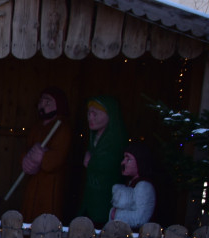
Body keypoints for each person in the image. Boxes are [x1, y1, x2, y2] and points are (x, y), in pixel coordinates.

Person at [20, 87, 73, 222]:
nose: (42, 106)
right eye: (41, 102)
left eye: (47, 103)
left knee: (47, 218)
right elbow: (27, 149)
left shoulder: (63, 128)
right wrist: (26, 160)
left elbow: (58, 158)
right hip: (33, 183)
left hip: (51, 185)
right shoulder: (36, 128)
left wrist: (43, 157)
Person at [78, 96, 127, 225]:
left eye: (95, 114)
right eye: (89, 113)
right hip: (91, 195)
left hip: (104, 197)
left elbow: (108, 163)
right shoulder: (94, 139)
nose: (90, 118)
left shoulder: (115, 141)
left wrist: (92, 161)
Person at [110, 142, 156, 228]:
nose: (123, 163)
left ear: (140, 162)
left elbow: (140, 218)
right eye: (124, 158)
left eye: (129, 159)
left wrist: (115, 214)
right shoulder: (132, 183)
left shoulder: (144, 186)